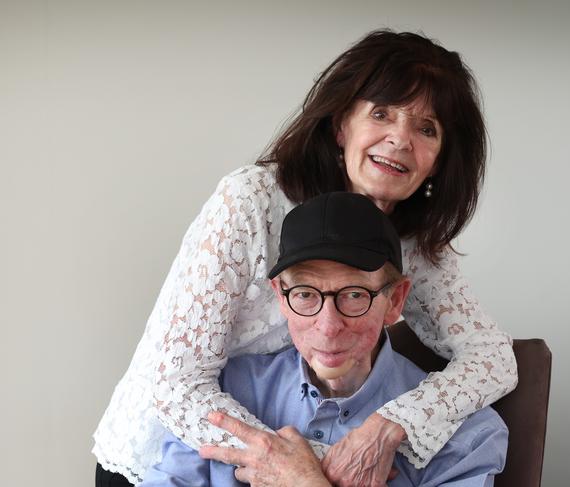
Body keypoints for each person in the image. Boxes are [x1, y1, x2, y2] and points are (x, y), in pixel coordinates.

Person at [93, 29, 517, 487]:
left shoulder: (415, 243)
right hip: (179, 453)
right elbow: (175, 384)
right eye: (381, 113)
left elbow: (493, 359)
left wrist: (390, 426)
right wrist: (306, 471)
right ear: (340, 126)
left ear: (438, 161)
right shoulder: (252, 200)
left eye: (426, 128)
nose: (399, 139)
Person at [140, 192, 508, 487]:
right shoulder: (223, 395)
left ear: (394, 301)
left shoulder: (468, 436)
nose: (328, 327)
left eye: (353, 295)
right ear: (281, 297)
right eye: (305, 294)